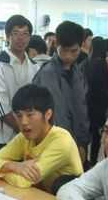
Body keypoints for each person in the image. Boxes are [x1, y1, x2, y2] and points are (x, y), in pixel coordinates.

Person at [0, 84, 83, 192]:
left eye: (30, 115)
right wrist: (14, 166)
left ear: (48, 114)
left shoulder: (62, 140)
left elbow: (23, 182)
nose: (23, 122)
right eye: (19, 115)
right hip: (41, 195)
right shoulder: (24, 137)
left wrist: (0, 171)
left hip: (68, 199)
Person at [33, 21, 90, 156]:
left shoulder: (78, 72)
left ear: (81, 46)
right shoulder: (47, 73)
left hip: (77, 143)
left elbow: (82, 109)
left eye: (74, 51)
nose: (68, 56)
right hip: (56, 144)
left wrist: (82, 142)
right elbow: (58, 115)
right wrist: (70, 146)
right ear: (56, 44)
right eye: (63, 50)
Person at [0, 15, 40, 152]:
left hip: (31, 138)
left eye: (25, 34)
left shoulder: (36, 67)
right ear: (8, 36)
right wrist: (26, 130)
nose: (21, 38)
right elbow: (0, 110)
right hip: (4, 139)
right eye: (16, 33)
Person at [85, 36, 108, 167]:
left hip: (89, 104)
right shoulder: (107, 64)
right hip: (104, 105)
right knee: (106, 134)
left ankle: (91, 160)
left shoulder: (87, 64)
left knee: (93, 135)